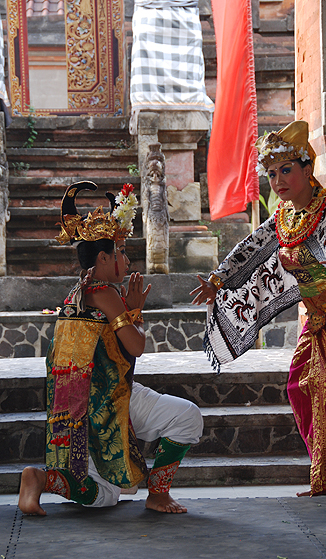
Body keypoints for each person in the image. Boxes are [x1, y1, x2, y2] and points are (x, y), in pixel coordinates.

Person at [191, 121, 326, 501]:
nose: (278, 180)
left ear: (307, 169)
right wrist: (218, 279)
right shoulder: (283, 216)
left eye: (285, 170)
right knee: (298, 388)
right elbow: (250, 248)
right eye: (271, 173)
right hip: (318, 322)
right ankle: (325, 473)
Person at [19, 181, 203, 516]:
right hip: (108, 399)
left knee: (106, 495)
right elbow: (137, 347)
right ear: (103, 258)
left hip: (79, 405)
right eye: (119, 252)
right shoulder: (105, 293)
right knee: (187, 416)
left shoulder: (77, 293)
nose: (126, 258)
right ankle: (158, 494)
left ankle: (42, 479)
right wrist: (134, 312)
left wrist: (128, 313)